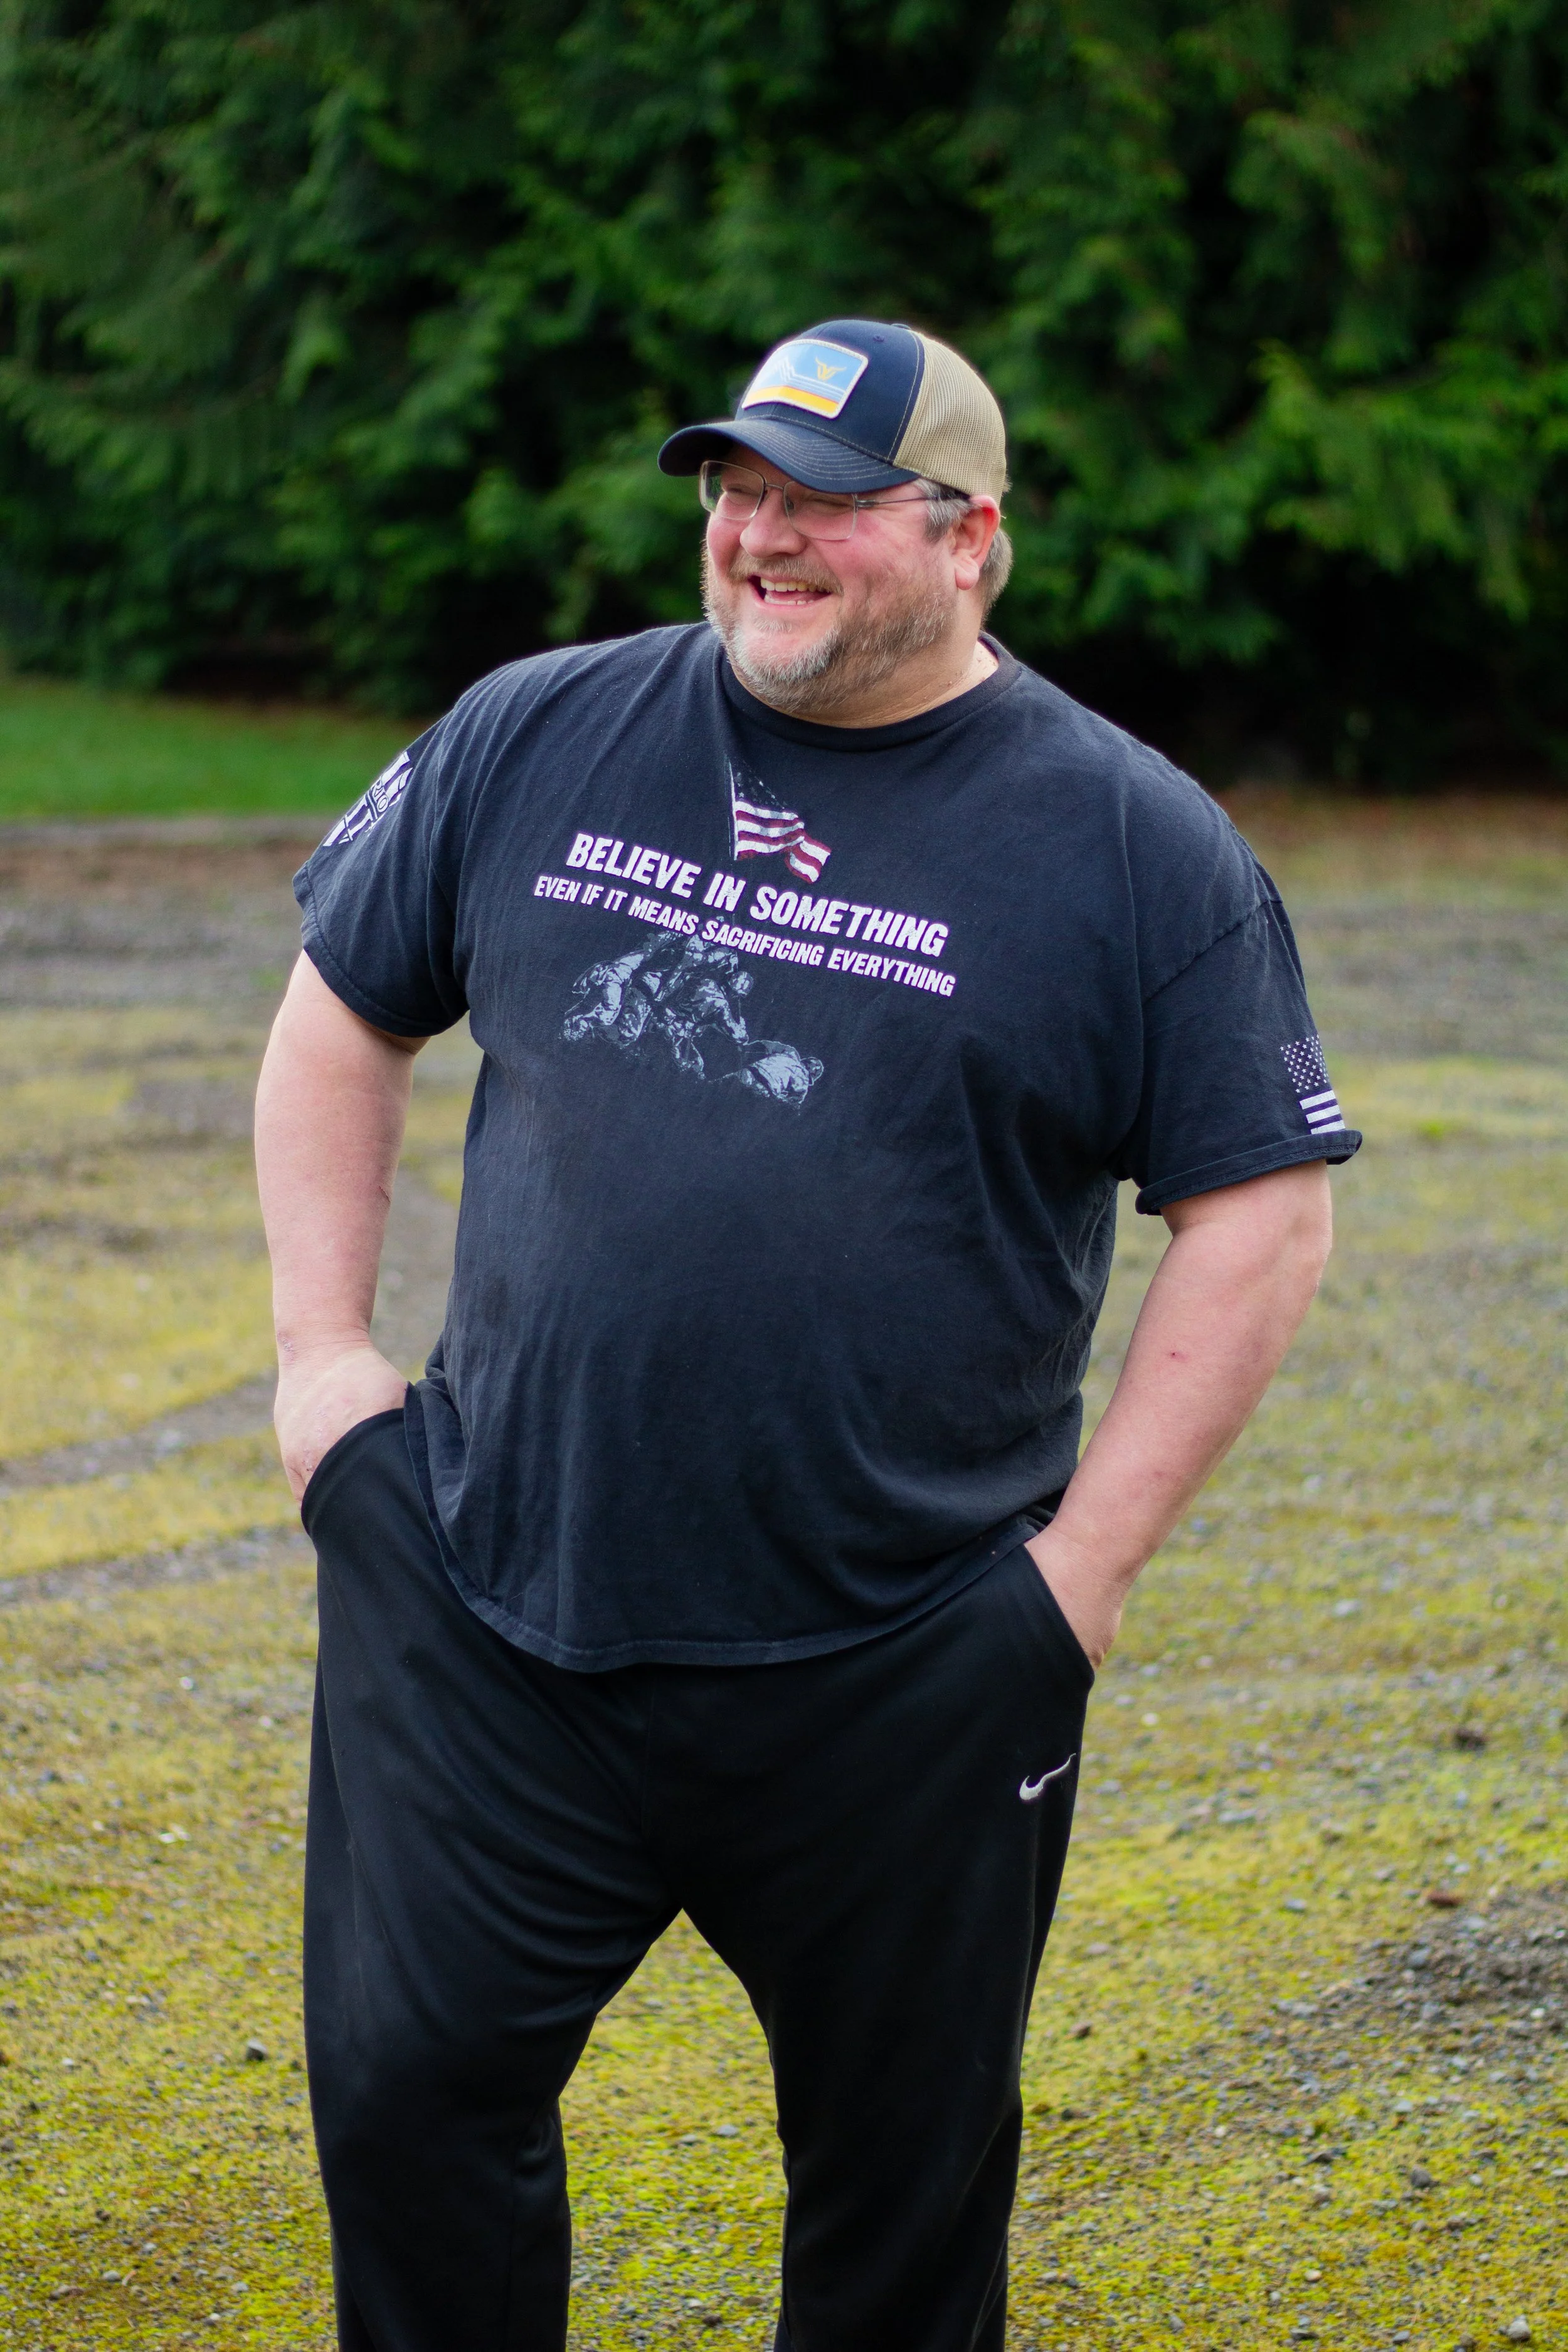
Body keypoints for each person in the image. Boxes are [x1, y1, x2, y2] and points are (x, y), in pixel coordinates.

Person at [254, 317, 1360, 2352]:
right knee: (410, 2106)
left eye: (822, 501)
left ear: (968, 539)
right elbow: (344, 1002)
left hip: (903, 1662)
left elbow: (1259, 1207)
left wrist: (1074, 1582)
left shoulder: (1133, 846)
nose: (759, 536)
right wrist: (326, 1361)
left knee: (897, 2196)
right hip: (495, 1603)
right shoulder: (539, 730)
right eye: (734, 489)